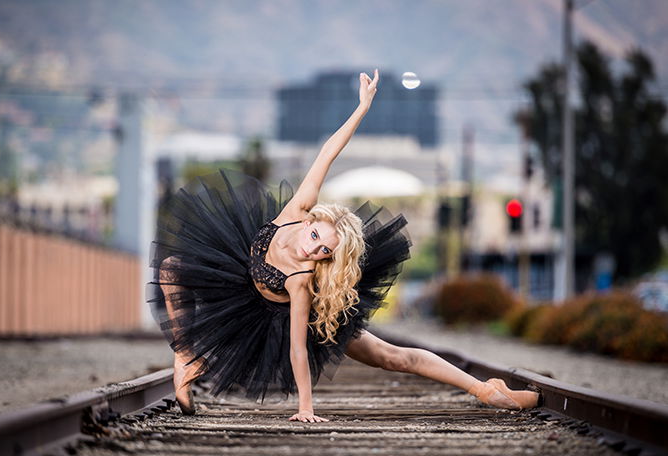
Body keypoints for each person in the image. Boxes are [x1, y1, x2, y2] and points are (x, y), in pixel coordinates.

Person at [148, 69, 539, 423]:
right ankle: (186, 358)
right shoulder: (296, 210)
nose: (312, 249)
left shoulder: (302, 279)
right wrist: (362, 108)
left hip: (298, 314)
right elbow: (327, 152)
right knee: (171, 268)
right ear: (311, 220)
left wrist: (305, 408)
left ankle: (486, 390)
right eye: (315, 237)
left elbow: (297, 350)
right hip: (242, 281)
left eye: (324, 253)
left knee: (393, 357)